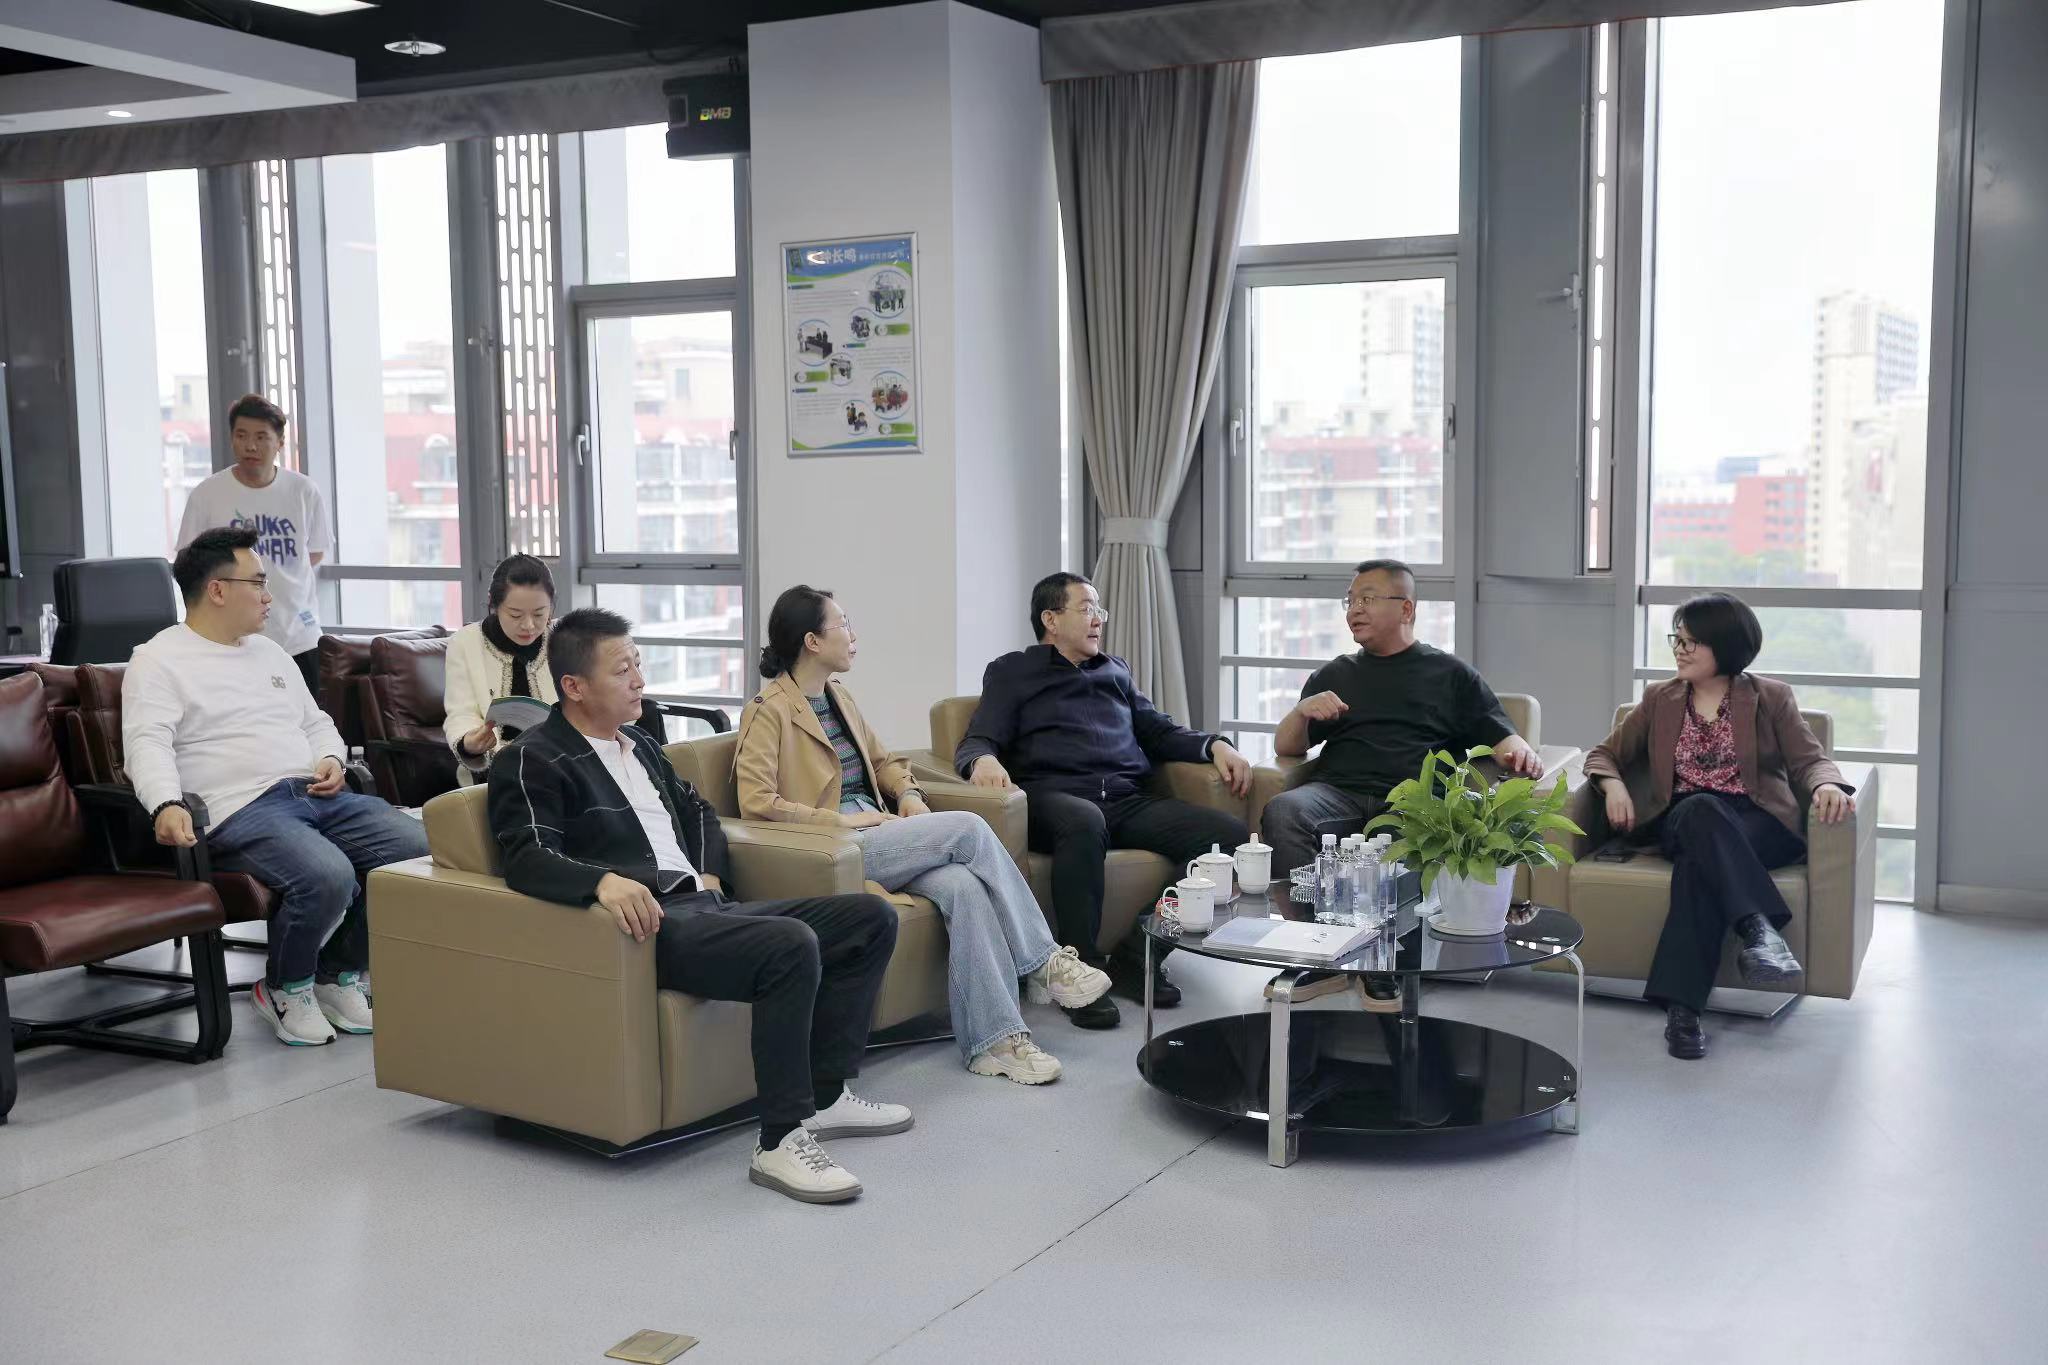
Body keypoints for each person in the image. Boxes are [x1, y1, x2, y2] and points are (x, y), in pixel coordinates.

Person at [488, 607, 908, 1205]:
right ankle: (780, 1142)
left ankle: (826, 1096)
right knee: (790, 944)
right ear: (574, 687)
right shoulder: (533, 757)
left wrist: (709, 872)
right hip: (649, 926)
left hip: (706, 906)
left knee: (869, 918)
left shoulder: (640, 743)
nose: (639, 680)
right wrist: (602, 882)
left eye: (638, 664)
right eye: (622, 670)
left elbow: (699, 812)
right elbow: (527, 855)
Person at [735, 586, 1111, 1086]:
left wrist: (909, 794)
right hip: (835, 849)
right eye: (843, 624)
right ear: (812, 641)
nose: (853, 635)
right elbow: (757, 802)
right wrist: (840, 822)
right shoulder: (768, 710)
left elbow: (885, 763)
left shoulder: (838, 696)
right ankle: (1043, 962)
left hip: (880, 830)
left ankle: (995, 1042)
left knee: (964, 885)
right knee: (968, 828)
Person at [124, 527, 429, 1048]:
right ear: (217, 590)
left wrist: (330, 757)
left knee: (418, 853)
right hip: (239, 808)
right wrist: (166, 803)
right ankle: (287, 987)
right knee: (327, 875)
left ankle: (336, 975)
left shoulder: (269, 652)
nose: (270, 596)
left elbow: (315, 722)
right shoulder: (158, 660)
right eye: (258, 582)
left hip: (313, 793)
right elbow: (146, 742)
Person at [954, 572, 1251, 1028]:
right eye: (1087, 609)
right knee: (1084, 820)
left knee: (1226, 838)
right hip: (1054, 799)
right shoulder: (1013, 671)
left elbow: (1159, 731)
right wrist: (982, 760)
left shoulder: (1115, 670)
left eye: (1099, 610)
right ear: (1051, 619)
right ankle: (1082, 972)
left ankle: (1142, 952)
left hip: (1126, 799)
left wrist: (1215, 745)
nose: (1098, 620)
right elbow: (979, 738)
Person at [1582, 592, 1855, 1061]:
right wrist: (1613, 787)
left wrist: (1828, 785)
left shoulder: (1770, 697)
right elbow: (1603, 754)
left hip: (1758, 824)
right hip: (1685, 817)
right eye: (1676, 639)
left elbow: (1810, 760)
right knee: (1700, 810)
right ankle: (1758, 929)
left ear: (1724, 646)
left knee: (1698, 869)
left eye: (1690, 642)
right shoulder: (1660, 698)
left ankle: (1683, 1011)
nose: (1679, 650)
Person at [1262, 559, 1546, 882]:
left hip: (1412, 804)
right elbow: (1286, 746)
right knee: (1284, 811)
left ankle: (1390, 916)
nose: (1354, 610)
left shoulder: (1451, 675)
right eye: (1350, 601)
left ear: (1406, 609)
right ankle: (1306, 911)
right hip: (1337, 794)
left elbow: (1500, 735)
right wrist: (1301, 712)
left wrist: (1521, 752)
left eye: (1367, 599)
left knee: (1424, 832)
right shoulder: (1335, 674)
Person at [175, 394, 332, 695]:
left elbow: (314, 552)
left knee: (306, 716)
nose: (250, 446)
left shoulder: (303, 491)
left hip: (297, 636)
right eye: (241, 435)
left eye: (261, 437)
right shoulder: (207, 495)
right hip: (230, 639)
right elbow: (189, 562)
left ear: (280, 442)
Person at [444, 554, 556, 785]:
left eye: (539, 614)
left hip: (561, 765)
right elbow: (461, 713)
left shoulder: (565, 639)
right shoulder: (465, 643)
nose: (528, 625)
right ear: (493, 604)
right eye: (515, 614)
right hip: (497, 774)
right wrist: (469, 742)